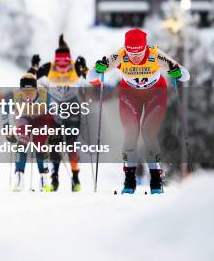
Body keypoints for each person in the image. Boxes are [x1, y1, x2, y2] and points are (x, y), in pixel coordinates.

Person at [89, 29, 190, 194]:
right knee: (130, 132)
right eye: (131, 52)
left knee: (148, 132)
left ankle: (156, 181)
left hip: (156, 93)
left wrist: (177, 71)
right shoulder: (119, 56)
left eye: (139, 52)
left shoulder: (155, 55)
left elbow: (185, 75)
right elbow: (90, 76)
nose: (135, 57)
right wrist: (99, 69)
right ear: (125, 48)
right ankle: (129, 181)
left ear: (145, 48)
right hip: (130, 94)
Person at [29, 34, 88, 192]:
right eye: (59, 63)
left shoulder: (75, 66)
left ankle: (75, 178)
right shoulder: (49, 67)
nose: (62, 67)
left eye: (65, 63)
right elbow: (30, 78)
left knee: (70, 145)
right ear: (56, 60)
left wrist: (84, 67)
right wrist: (35, 66)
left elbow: (89, 78)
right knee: (54, 143)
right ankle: (54, 178)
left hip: (73, 110)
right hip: (55, 111)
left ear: (69, 59)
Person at [3, 74, 55, 192]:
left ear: (36, 89)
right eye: (24, 91)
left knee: (39, 145)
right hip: (24, 118)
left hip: (41, 119)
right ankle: (19, 177)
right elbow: (5, 113)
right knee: (21, 144)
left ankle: (44, 178)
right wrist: (7, 129)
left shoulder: (44, 94)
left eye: (31, 91)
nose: (28, 95)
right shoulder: (15, 96)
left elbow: (55, 112)